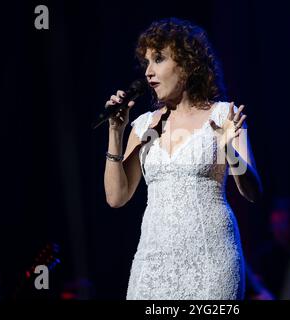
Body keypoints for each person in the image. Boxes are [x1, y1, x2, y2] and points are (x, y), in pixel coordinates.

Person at [103, 18, 263, 300]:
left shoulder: (224, 116)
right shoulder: (144, 127)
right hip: (152, 266)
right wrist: (115, 132)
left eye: (159, 59)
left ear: (188, 64)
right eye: (147, 63)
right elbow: (117, 197)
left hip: (211, 262)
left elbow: (252, 191)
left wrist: (228, 148)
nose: (149, 72)